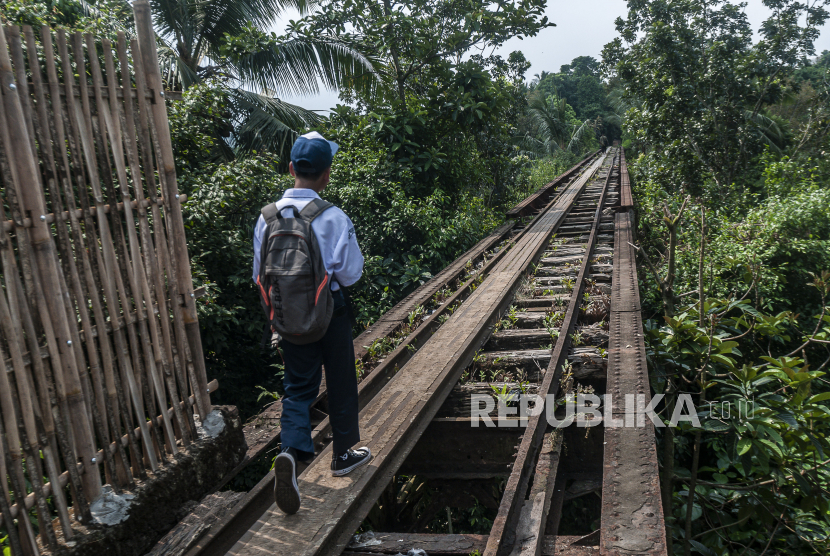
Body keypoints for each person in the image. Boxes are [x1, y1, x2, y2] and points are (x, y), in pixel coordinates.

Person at [252, 131, 371, 515]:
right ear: (327, 175)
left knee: (298, 387)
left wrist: (277, 318)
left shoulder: (266, 218)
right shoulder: (334, 217)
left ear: (291, 169)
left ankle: (289, 451)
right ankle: (342, 456)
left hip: (288, 316)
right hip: (330, 311)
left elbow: (259, 273)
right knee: (339, 380)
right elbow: (351, 274)